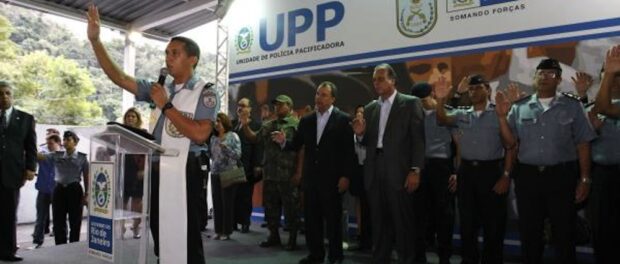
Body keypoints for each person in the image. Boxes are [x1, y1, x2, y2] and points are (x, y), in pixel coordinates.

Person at [87, 5, 217, 263]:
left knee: (186, 235)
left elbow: (201, 135)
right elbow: (120, 78)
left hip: (187, 170)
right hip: (158, 169)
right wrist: (95, 40)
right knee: (161, 233)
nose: (168, 58)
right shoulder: (159, 88)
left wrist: (166, 106)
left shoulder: (206, 92)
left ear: (193, 59)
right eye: (167, 53)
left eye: (175, 53)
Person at [496, 58, 596, 264]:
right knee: (530, 234)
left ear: (559, 79)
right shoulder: (519, 107)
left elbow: (583, 143)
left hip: (561, 177)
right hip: (528, 178)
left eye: (550, 74)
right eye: (540, 73)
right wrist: (501, 118)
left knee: (564, 234)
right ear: (534, 78)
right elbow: (509, 144)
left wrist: (585, 179)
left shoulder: (572, 106)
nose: (544, 77)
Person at [273, 81, 355, 264]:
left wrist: (346, 176)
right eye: (318, 93)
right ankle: (316, 255)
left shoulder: (343, 119)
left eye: (324, 94)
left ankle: (336, 256)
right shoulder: (307, 120)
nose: (319, 97)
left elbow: (349, 152)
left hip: (333, 180)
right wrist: (283, 142)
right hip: (311, 180)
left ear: (333, 98)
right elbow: (297, 144)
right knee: (312, 220)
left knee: (333, 221)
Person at [435, 75, 514, 264]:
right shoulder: (462, 114)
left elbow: (511, 146)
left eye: (478, 88)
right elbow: (442, 119)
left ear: (488, 90)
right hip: (467, 173)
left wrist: (506, 175)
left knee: (493, 226)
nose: (474, 92)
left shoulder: (500, 113)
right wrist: (440, 99)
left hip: (492, 171)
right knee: (467, 225)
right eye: (471, 89)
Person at [351, 63, 425, 263]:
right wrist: (360, 135)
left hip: (400, 172)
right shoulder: (370, 108)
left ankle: (407, 259)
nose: (376, 83)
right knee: (379, 222)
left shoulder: (410, 103)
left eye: (381, 78)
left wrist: (415, 170)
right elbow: (368, 142)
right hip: (375, 171)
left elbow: (418, 140)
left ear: (393, 80)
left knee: (403, 224)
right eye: (374, 79)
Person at [240, 94, 300, 251]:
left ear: (289, 106)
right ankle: (274, 236)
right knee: (271, 208)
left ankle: (292, 239)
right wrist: (245, 125)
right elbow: (254, 138)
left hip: (288, 174)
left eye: (281, 105)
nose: (277, 107)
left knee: (291, 209)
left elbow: (302, 150)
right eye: (275, 105)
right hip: (271, 174)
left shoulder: (296, 125)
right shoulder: (269, 125)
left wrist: (299, 173)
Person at [409, 82, 458, 264]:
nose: (421, 104)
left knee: (444, 214)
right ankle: (419, 257)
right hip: (419, 167)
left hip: (441, 166)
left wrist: (457, 172)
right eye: (417, 101)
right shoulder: (413, 115)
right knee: (418, 215)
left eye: (424, 100)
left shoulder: (447, 112)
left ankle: (444, 256)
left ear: (432, 94)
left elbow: (458, 143)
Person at [590, 45, 620, 264]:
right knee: (601, 228)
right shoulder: (592, 106)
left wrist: (610, 72)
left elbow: (606, 110)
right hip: (600, 175)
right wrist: (609, 72)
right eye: (612, 76)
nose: (616, 80)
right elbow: (601, 108)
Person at [0, 81, 36, 262]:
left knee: (8, 214)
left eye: (7, 93)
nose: (4, 97)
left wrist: (30, 168)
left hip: (12, 174)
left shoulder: (25, 119)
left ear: (12, 96)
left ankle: (8, 251)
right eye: (1, 94)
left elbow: (31, 146)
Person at [38, 131, 89, 245]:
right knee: (58, 219)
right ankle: (60, 245)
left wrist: (87, 194)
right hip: (59, 189)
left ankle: (74, 244)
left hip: (74, 189)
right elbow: (41, 156)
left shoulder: (82, 157)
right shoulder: (57, 154)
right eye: (64, 139)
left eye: (69, 140)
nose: (65, 142)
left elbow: (87, 176)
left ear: (75, 142)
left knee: (75, 220)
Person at [209, 113, 242, 240]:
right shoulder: (213, 138)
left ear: (224, 122)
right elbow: (212, 155)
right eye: (215, 121)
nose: (216, 123)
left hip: (230, 172)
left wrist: (226, 148)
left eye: (218, 121)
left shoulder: (233, 136)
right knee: (217, 203)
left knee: (227, 204)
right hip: (215, 173)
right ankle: (218, 231)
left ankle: (226, 232)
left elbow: (238, 155)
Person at [231, 98, 262, 233]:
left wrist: (257, 165)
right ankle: (232, 222)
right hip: (232, 167)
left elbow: (258, 146)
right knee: (233, 195)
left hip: (247, 166)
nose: (240, 108)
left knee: (245, 196)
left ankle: (245, 222)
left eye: (243, 106)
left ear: (250, 109)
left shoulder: (256, 125)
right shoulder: (232, 124)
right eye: (239, 105)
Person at [32, 129, 61, 248]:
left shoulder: (63, 155)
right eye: (47, 143)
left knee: (59, 216)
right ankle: (38, 240)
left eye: (51, 143)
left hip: (57, 190)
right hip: (43, 189)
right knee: (40, 217)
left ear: (58, 143)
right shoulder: (43, 153)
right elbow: (35, 157)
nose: (48, 145)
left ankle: (61, 239)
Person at [349, 105, 372, 252]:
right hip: (358, 170)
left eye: (362, 114)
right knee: (361, 204)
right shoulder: (352, 133)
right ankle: (361, 236)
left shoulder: (373, 133)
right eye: (357, 113)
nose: (359, 116)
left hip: (372, 171)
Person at [121, 108, 146, 239]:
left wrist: (143, 169)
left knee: (137, 203)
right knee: (122, 201)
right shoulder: (119, 133)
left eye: (133, 116)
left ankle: (136, 226)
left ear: (138, 119)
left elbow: (146, 152)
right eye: (128, 116)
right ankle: (121, 228)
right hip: (123, 169)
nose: (130, 118)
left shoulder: (143, 133)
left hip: (138, 171)